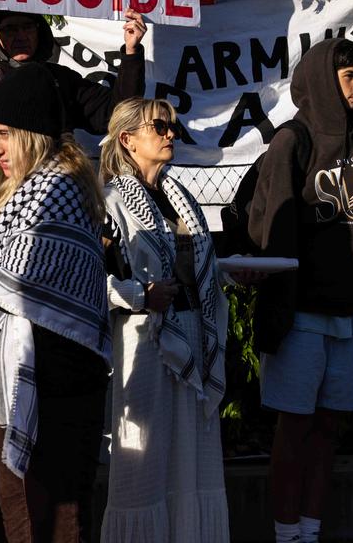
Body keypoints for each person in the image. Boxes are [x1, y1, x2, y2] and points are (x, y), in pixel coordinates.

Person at [247, 38, 353, 543]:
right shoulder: (292, 140)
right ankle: (286, 534)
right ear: (319, 81)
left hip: (349, 314)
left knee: (330, 426)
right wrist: (277, 311)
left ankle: (310, 531)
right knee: (295, 428)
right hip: (302, 315)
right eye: (348, 76)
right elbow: (273, 226)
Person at [0, 61, 111, 543]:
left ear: (32, 132)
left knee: (53, 519)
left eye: (4, 134)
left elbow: (17, 280)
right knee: (21, 516)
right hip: (16, 377)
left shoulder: (56, 186)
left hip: (51, 382)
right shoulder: (23, 190)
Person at [97, 98, 230, 543]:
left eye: (173, 126)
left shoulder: (180, 196)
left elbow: (198, 266)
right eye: (160, 126)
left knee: (192, 463)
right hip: (143, 341)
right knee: (144, 464)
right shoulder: (109, 202)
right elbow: (87, 280)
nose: (171, 133)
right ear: (128, 139)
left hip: (192, 335)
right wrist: (140, 294)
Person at [0, 0, 147, 133]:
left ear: (39, 32)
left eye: (27, 27)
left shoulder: (63, 80)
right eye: (11, 29)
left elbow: (118, 114)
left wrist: (132, 51)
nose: (20, 36)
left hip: (59, 190)